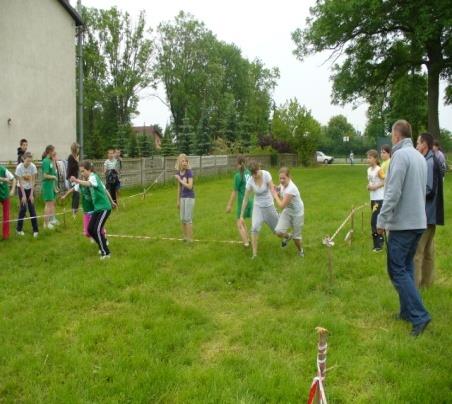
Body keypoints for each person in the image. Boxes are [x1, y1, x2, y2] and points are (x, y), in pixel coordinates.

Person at [376, 120, 431, 337]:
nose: (391, 139)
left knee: (396, 269)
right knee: (406, 267)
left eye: (392, 135)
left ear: (397, 136)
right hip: (418, 221)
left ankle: (420, 315)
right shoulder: (419, 156)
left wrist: (381, 220)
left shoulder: (400, 156)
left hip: (404, 224)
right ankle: (407, 313)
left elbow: (392, 192)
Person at [414, 133, 444, 288]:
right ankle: (427, 283)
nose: (416, 145)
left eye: (418, 142)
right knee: (428, 252)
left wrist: (412, 192)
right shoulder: (431, 159)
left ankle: (415, 285)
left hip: (426, 214)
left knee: (418, 252)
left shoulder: (429, 162)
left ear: (424, 144)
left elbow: (429, 190)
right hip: (431, 215)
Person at [70, 161, 115, 259]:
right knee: (90, 229)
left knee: (97, 230)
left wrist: (77, 180)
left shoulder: (93, 177)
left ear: (89, 170)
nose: (82, 173)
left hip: (104, 208)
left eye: (83, 171)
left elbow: (88, 184)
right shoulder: (90, 177)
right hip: (97, 209)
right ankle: (103, 246)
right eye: (80, 172)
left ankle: (106, 253)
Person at [240, 161, 279, 259]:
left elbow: (272, 189)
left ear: (259, 168)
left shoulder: (266, 175)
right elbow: (245, 198)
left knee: (277, 231)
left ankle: (287, 236)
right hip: (257, 206)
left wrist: (278, 201)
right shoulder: (251, 180)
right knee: (254, 228)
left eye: (255, 173)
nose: (254, 176)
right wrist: (241, 215)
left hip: (269, 205)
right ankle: (254, 254)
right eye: (252, 174)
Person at [271, 167, 304, 256]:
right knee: (278, 231)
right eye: (280, 178)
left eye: (283, 178)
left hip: (297, 213)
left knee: (296, 237)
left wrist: (275, 195)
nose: (281, 180)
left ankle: (300, 251)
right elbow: (279, 188)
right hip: (288, 211)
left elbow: (281, 205)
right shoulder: (283, 184)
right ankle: (288, 236)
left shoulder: (291, 189)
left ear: (289, 177)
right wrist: (275, 188)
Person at [226, 156, 253, 247]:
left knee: (239, 223)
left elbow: (234, 192)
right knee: (242, 220)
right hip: (250, 201)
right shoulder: (249, 172)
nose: (236, 166)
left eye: (237, 164)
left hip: (242, 202)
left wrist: (229, 205)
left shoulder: (238, 176)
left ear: (240, 164)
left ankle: (246, 243)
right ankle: (248, 239)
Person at [15, 152, 39, 237]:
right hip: (22, 188)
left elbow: (33, 181)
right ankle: (19, 229)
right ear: (23, 159)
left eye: (30, 161)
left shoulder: (32, 167)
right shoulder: (19, 168)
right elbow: (20, 182)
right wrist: (24, 196)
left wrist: (31, 194)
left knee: (32, 208)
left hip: (30, 188)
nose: (29, 163)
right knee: (23, 208)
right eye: (27, 161)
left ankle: (35, 230)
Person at [366, 150, 385, 252]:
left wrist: (375, 187)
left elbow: (385, 181)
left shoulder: (379, 169)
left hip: (379, 198)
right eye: (367, 157)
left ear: (375, 159)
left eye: (370, 157)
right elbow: (370, 182)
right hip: (372, 198)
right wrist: (369, 186)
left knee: (374, 221)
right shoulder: (369, 170)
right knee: (376, 221)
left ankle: (378, 245)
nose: (368, 159)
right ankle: (381, 238)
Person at [175, 154, 195, 242]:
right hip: (182, 198)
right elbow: (179, 188)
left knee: (188, 219)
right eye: (183, 161)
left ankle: (190, 239)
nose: (185, 163)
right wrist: (178, 201)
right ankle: (185, 237)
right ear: (179, 162)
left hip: (189, 197)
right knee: (182, 219)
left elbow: (190, 186)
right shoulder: (179, 173)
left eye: (186, 161)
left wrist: (180, 180)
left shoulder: (189, 172)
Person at [41, 145, 59, 230]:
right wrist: (53, 177)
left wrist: (54, 187)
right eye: (53, 151)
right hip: (47, 186)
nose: (54, 153)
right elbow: (45, 175)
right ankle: (46, 223)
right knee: (48, 205)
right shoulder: (45, 161)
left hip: (51, 185)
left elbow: (54, 172)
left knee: (51, 204)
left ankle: (51, 221)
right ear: (49, 151)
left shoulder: (50, 161)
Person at [0, 164, 16, 240]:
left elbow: (13, 179)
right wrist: (3, 179)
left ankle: (5, 235)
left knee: (6, 215)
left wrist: (12, 190)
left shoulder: (3, 169)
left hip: (5, 194)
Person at [67, 143, 80, 216]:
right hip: (72, 178)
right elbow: (70, 168)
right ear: (75, 149)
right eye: (78, 148)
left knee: (76, 195)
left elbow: (77, 168)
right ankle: (73, 212)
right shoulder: (71, 157)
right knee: (76, 194)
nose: (79, 150)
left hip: (76, 178)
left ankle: (75, 211)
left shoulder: (76, 156)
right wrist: (77, 162)